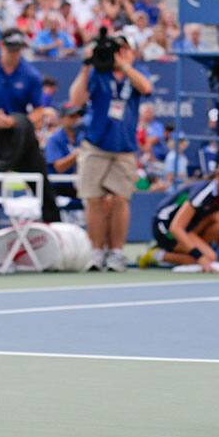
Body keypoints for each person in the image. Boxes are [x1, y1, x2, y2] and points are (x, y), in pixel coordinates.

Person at [68, 33, 153, 272]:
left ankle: (116, 252)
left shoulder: (137, 73)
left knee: (120, 199)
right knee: (94, 199)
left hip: (124, 147)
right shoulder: (98, 72)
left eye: (124, 48)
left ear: (131, 52)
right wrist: (87, 65)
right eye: (116, 49)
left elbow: (146, 87)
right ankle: (96, 252)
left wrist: (125, 66)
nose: (118, 53)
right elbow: (75, 99)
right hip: (96, 145)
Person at [0, 28, 60, 225]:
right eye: (11, 49)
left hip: (22, 140)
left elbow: (40, 110)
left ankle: (55, 229)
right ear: (1, 46)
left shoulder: (31, 75)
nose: (15, 54)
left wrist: (17, 121)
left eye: (18, 50)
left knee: (43, 185)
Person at [139, 162, 219, 272]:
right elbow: (175, 227)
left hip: (186, 228)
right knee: (210, 257)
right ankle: (156, 255)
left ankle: (184, 250)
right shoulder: (204, 193)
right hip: (164, 228)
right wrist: (200, 257)